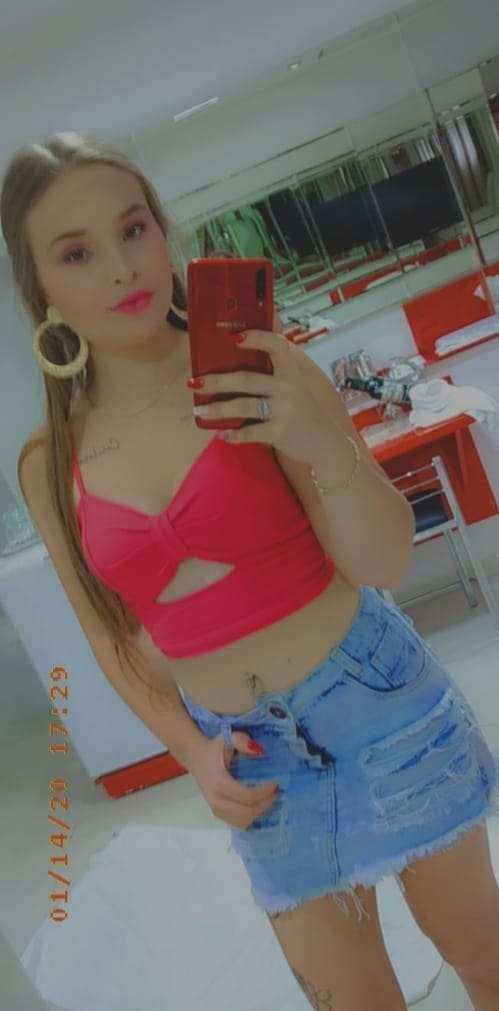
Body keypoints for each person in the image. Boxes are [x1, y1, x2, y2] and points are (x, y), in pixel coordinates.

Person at [3, 131, 499, 1011]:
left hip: (377, 703)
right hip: (253, 758)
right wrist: (193, 753)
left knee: (485, 962)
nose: (121, 267)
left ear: (162, 231)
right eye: (77, 252)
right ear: (40, 288)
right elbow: (109, 640)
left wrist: (322, 442)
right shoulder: (48, 462)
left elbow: (383, 557)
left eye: (133, 229)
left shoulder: (257, 366)